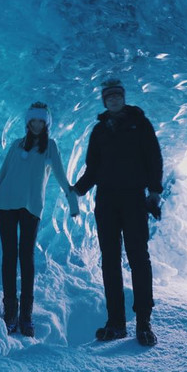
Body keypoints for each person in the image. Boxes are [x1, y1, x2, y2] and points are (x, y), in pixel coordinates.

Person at [71, 78, 164, 346]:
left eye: (117, 95)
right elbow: (93, 168)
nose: (113, 99)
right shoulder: (99, 131)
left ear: (123, 97)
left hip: (134, 198)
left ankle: (144, 321)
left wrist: (154, 190)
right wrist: (78, 190)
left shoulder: (140, 124)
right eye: (109, 96)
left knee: (138, 258)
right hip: (107, 201)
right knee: (110, 260)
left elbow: (153, 157)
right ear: (104, 100)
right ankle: (116, 323)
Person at [0, 101, 79, 336]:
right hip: (6, 204)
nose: (37, 125)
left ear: (46, 124)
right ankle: (10, 311)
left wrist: (73, 202)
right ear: (28, 123)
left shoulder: (50, 148)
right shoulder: (17, 145)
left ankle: (26, 314)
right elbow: (2, 174)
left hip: (31, 208)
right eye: (33, 121)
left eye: (41, 121)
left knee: (26, 257)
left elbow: (60, 175)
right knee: (9, 256)